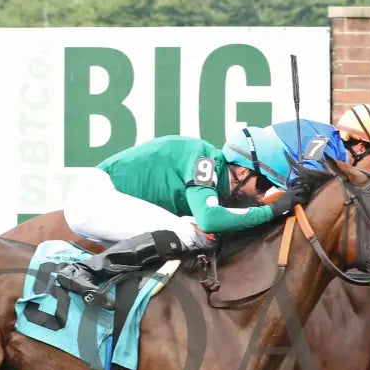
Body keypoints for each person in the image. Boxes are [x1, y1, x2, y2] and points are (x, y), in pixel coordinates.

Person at [54, 127, 307, 297]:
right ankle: (84, 271)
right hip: (94, 198)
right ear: (242, 171)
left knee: (191, 235)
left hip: (102, 204)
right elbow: (210, 220)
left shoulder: (215, 186)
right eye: (263, 185)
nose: (260, 195)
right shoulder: (205, 158)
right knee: (190, 232)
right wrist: (272, 210)